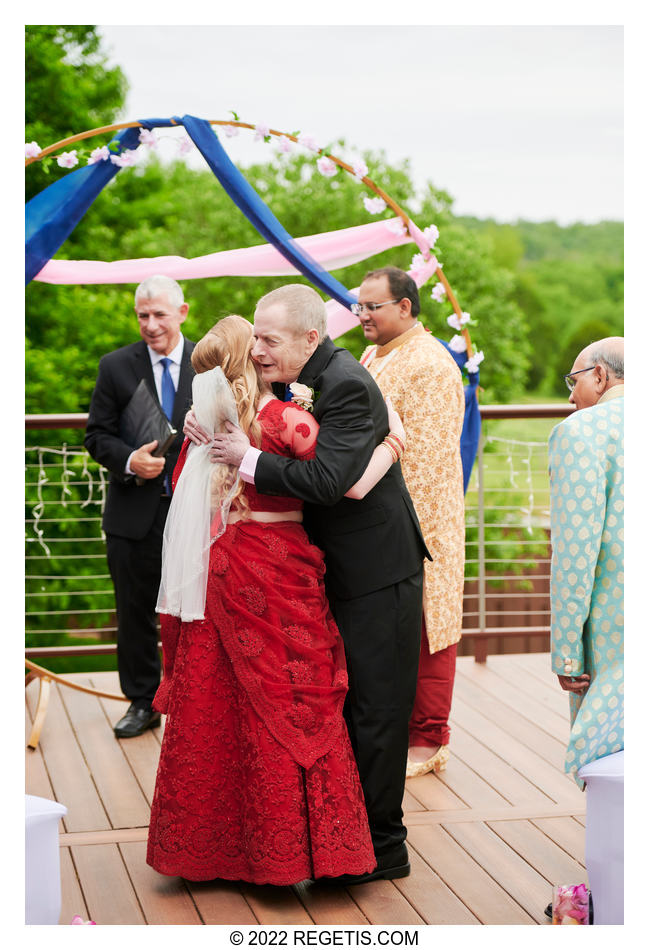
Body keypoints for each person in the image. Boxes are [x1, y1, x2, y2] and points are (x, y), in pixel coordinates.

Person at [147, 314, 404, 884]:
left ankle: (208, 849)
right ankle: (298, 851)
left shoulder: (204, 424)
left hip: (223, 564)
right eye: (259, 343)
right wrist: (392, 439)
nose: (266, 349)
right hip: (277, 563)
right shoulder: (287, 421)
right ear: (253, 358)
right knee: (291, 697)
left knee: (217, 699)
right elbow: (347, 484)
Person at [357, 266, 465, 778]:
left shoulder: (431, 362)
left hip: (422, 515)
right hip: (375, 514)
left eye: (372, 306)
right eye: (359, 306)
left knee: (427, 623)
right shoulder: (374, 354)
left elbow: (427, 454)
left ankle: (429, 738)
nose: (362, 315)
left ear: (404, 307)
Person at [84, 275, 195, 738]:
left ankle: (195, 705)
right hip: (134, 513)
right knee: (134, 612)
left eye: (159, 315)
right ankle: (143, 702)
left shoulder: (211, 363)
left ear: (182, 313)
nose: (150, 325)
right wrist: (130, 460)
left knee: (198, 613)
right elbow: (96, 435)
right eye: (142, 316)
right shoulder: (115, 366)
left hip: (197, 516)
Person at [549, 337, 624, 784]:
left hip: (614, 625)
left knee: (611, 754)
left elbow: (576, 554)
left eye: (573, 380)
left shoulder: (582, 430)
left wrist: (566, 652)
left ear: (600, 374)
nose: (570, 396)